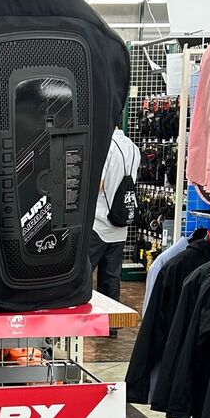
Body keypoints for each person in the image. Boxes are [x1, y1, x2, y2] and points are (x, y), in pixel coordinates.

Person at [89, 125, 141, 332]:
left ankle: (82, 323)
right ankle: (111, 325)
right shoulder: (133, 147)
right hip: (120, 222)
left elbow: (99, 183)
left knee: (84, 273)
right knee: (111, 276)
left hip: (99, 220)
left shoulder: (107, 146)